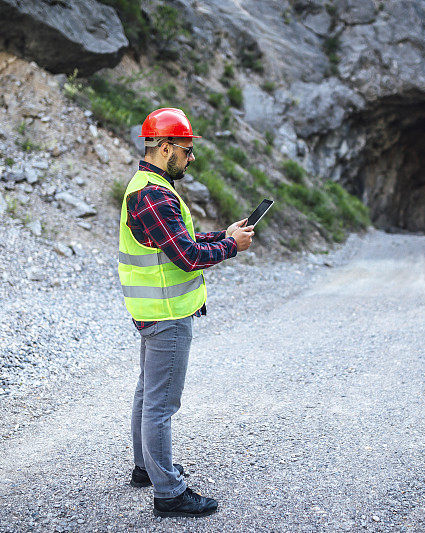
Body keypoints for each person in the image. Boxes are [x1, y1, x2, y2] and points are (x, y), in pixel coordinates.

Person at [118, 107, 254, 518]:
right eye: (186, 149)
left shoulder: (148, 186)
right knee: (161, 403)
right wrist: (232, 247)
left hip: (151, 310)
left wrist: (224, 235)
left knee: (148, 393)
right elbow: (189, 255)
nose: (190, 158)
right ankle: (169, 493)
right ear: (164, 147)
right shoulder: (154, 194)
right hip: (167, 313)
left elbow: (181, 239)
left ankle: (146, 468)